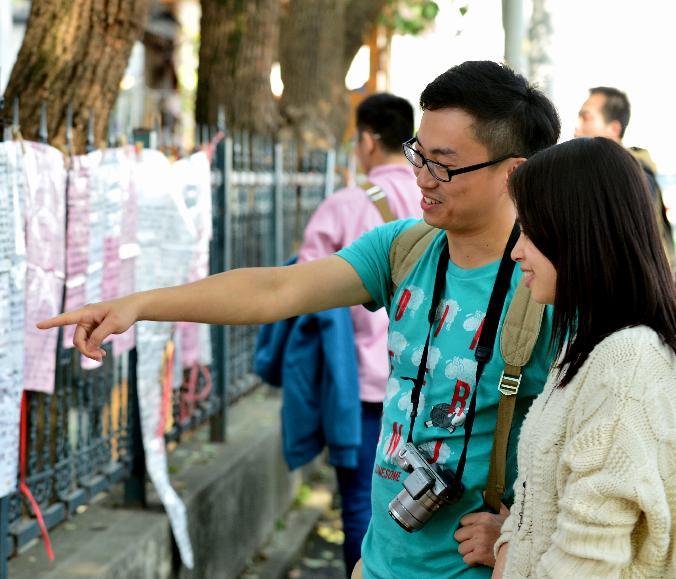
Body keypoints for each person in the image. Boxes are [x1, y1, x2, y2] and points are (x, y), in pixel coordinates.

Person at [38, 61, 561, 578]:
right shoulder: (404, 248)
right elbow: (275, 289)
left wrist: (523, 533)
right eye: (417, 155)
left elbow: (600, 459)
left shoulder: (552, 285)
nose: (420, 177)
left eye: (442, 164)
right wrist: (138, 305)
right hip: (381, 564)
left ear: (512, 171)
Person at [492, 137, 676, 577]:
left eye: (529, 231)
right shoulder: (591, 345)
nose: (517, 250)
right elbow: (537, 501)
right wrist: (507, 547)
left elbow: (586, 563)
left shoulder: (626, 362)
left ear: (576, 232)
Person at [282, 92, 422, 576]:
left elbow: (300, 291)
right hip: (431, 385)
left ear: (366, 140)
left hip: (362, 382)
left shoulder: (345, 206)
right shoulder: (436, 201)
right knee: (428, 508)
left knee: (362, 504)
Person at [574, 86, 674, 262]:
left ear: (614, 129)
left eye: (586, 118)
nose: (577, 126)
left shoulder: (633, 175)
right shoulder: (592, 174)